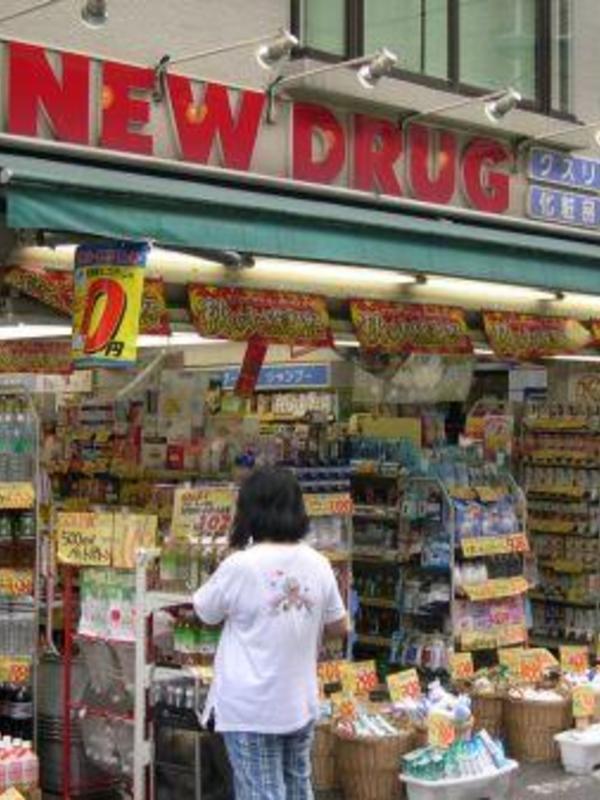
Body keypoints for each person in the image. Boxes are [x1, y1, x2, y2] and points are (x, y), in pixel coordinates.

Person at [194, 467, 348, 800]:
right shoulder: (319, 563)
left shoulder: (241, 565)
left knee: (262, 792)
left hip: (251, 707)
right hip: (299, 701)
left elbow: (205, 611)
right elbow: (340, 626)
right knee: (297, 787)